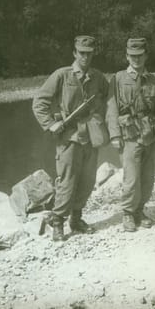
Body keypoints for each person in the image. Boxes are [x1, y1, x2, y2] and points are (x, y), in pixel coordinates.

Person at [32, 35, 109, 241]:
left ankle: (76, 218)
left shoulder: (98, 77)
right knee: (67, 181)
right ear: (75, 53)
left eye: (89, 53)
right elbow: (39, 102)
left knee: (87, 180)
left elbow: (108, 102)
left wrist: (102, 122)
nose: (85, 57)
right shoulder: (62, 76)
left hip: (91, 136)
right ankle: (58, 221)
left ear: (93, 54)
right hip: (69, 137)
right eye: (81, 53)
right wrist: (50, 124)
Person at [106, 38, 155, 232]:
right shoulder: (118, 78)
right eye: (132, 56)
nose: (136, 59)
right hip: (129, 134)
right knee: (131, 177)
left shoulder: (152, 80)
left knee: (147, 177)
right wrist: (114, 135)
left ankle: (139, 211)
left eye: (140, 55)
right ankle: (127, 213)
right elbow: (111, 108)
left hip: (149, 133)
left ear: (146, 56)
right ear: (127, 56)